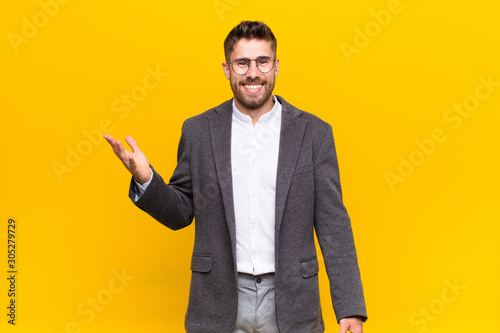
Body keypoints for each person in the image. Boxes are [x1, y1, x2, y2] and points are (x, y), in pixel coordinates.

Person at [104, 20, 367, 333]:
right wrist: (146, 178)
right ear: (227, 69)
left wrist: (350, 308)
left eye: (262, 62)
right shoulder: (199, 131)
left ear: (276, 66)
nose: (253, 73)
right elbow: (180, 212)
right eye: (242, 63)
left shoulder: (314, 133)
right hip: (217, 300)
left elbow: (333, 223)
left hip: (292, 302)